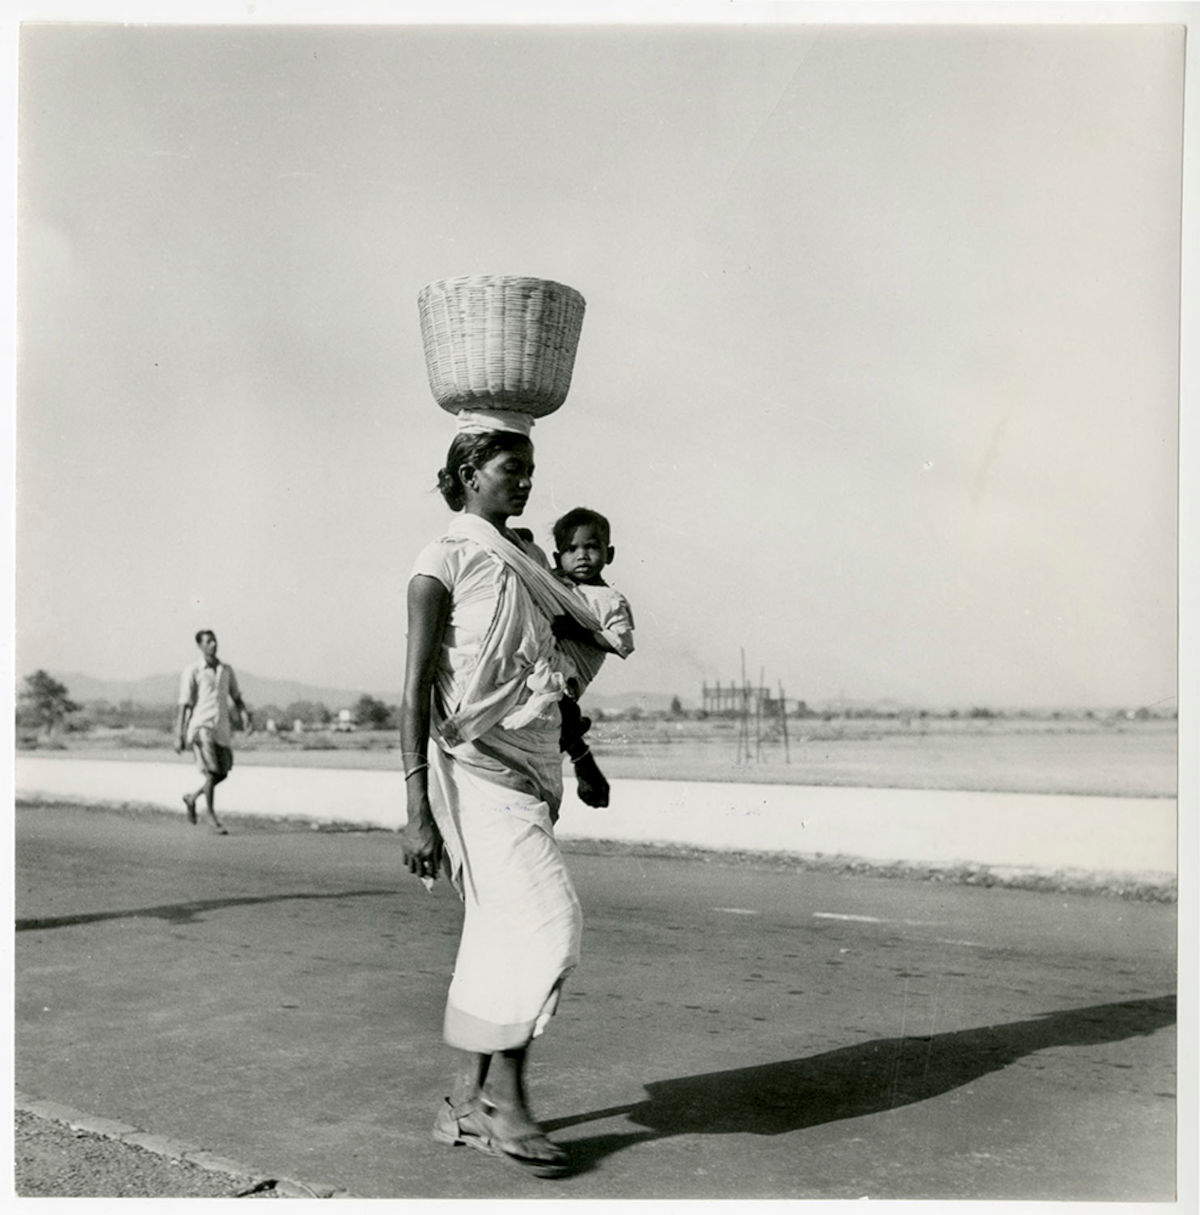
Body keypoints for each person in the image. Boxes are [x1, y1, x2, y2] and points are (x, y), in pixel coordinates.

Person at [400, 423, 611, 1179]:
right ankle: (506, 1103)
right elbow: (417, 687)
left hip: (531, 772)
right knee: (550, 924)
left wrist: (580, 757)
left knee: (498, 932)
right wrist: (416, 805)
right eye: (509, 469)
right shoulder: (444, 560)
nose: (523, 481)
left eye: (529, 469)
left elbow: (554, 673)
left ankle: (463, 1101)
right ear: (468, 472)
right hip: (473, 773)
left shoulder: (525, 560)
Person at [548, 506, 635, 696]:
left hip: (571, 679)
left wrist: (578, 632)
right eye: (571, 549)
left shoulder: (610, 599)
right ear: (557, 558)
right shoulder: (552, 582)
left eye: (592, 547)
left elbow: (622, 643)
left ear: (609, 554)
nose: (582, 556)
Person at [174, 630, 252, 835]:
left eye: (214, 640)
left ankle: (192, 797)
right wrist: (179, 734)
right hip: (201, 727)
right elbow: (184, 704)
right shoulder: (193, 671)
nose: (213, 644)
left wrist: (244, 715)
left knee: (223, 772)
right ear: (199, 646)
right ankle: (210, 815)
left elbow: (236, 696)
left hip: (221, 728)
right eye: (208, 641)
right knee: (211, 771)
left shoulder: (226, 670)